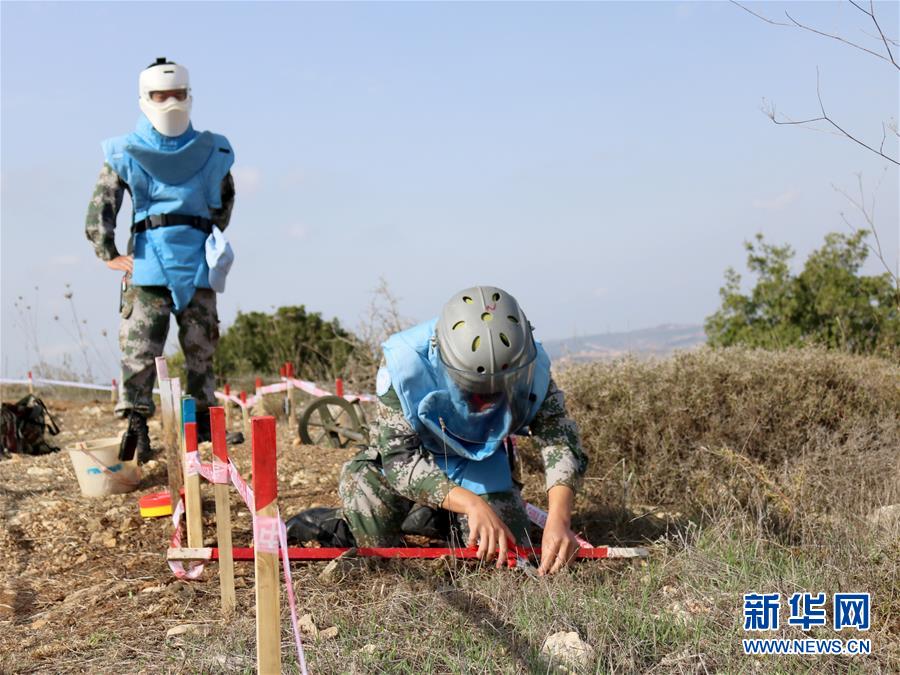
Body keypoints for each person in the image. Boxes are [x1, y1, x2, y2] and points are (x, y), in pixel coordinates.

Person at [336, 285, 588, 576]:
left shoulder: (527, 358)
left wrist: (560, 517)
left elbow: (558, 438)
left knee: (508, 561)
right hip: (412, 460)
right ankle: (349, 523)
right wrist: (470, 504)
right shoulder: (404, 364)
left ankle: (433, 516)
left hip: (477, 461)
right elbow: (399, 459)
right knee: (371, 527)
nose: (488, 400)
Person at [85, 57, 236, 462]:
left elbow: (223, 202)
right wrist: (108, 253)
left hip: (187, 262)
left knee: (198, 346)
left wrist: (108, 249)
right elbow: (103, 206)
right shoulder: (124, 151)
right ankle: (138, 422)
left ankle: (203, 421)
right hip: (154, 263)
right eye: (160, 95)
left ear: (188, 95)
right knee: (145, 347)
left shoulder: (214, 149)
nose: (169, 102)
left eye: (176, 94)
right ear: (144, 98)